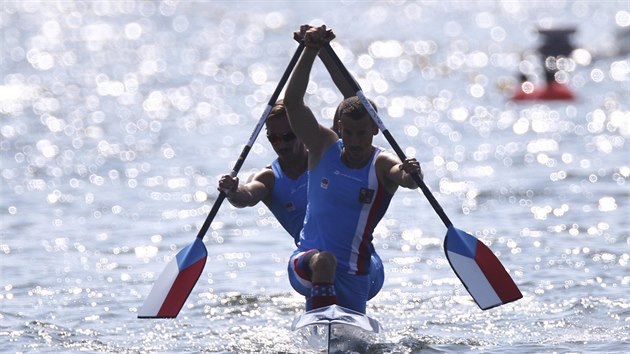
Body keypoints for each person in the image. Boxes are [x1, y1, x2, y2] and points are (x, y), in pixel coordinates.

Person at [218, 27, 385, 299]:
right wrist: (231, 190)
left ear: (301, 130)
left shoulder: (329, 153)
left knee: (334, 262)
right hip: (313, 263)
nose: (282, 144)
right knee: (323, 261)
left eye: (288, 135)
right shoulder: (270, 178)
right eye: (274, 139)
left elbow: (356, 105)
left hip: (363, 263)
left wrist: (321, 51)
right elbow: (245, 196)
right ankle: (324, 316)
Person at [283, 25, 422, 314]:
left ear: (374, 129)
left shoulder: (382, 164)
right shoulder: (322, 147)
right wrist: (310, 51)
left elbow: (405, 178)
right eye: (350, 133)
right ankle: (319, 319)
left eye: (364, 133)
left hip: (358, 272)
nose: (357, 141)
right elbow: (293, 103)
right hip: (306, 264)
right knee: (324, 261)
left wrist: (412, 174)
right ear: (340, 129)